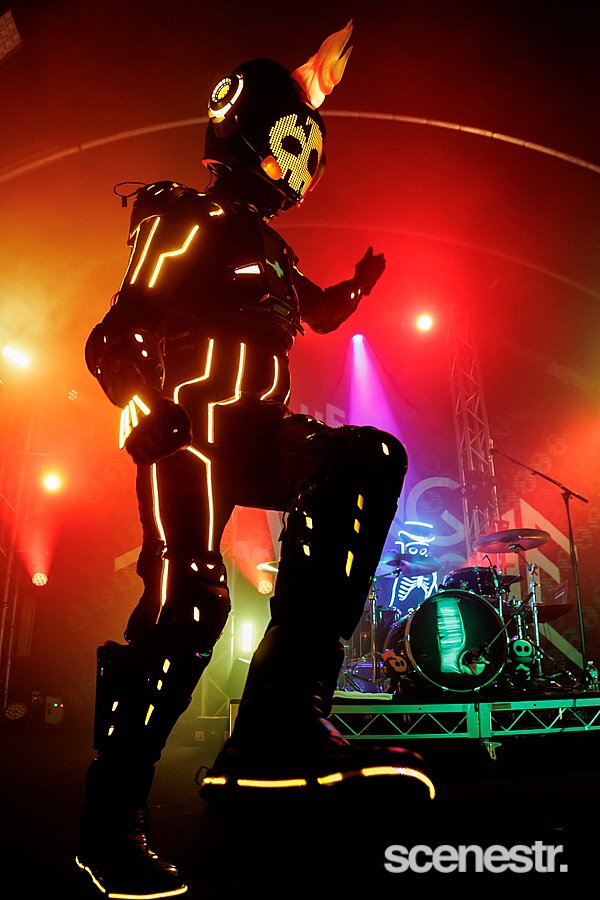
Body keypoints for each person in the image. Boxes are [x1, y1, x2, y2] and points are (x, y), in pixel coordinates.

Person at [76, 22, 433, 899]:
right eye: (292, 141)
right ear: (248, 129)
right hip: (189, 435)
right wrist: (141, 403)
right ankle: (110, 822)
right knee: (187, 611)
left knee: (365, 458)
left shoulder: (271, 248)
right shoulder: (182, 216)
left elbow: (317, 312)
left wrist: (358, 288)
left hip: (258, 430)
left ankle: (278, 724)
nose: (301, 166)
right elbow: (116, 330)